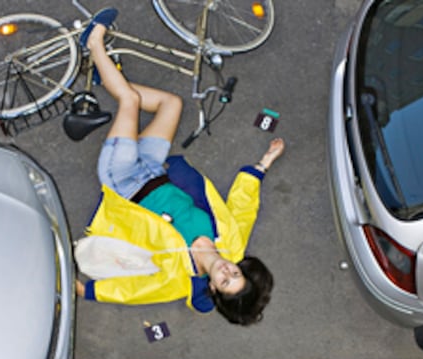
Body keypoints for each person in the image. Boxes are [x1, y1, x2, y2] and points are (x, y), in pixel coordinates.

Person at [73, 8, 281, 326]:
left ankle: (93, 43)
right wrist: (263, 164)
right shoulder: (232, 243)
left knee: (129, 101)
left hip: (124, 181)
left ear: (213, 288)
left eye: (225, 281)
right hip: (155, 170)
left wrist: (88, 292)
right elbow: (243, 207)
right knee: (172, 104)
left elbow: (135, 290)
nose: (227, 270)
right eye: (235, 273)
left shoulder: (178, 278)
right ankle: (108, 77)